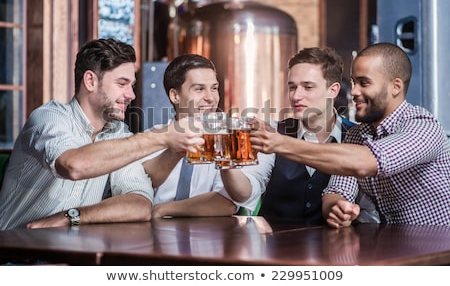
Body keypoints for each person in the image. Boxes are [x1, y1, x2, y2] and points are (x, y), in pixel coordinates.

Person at [0, 38, 204, 231]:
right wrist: (162, 136)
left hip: (70, 256)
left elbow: (140, 204)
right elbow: (74, 165)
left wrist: (71, 216)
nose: (131, 95)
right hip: (17, 254)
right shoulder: (49, 117)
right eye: (121, 83)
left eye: (131, 86)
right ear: (90, 81)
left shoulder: (118, 134)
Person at [250, 42, 450, 227]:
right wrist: (337, 207)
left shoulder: (424, 127)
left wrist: (279, 143)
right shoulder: (357, 134)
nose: (353, 91)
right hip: (393, 251)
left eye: (364, 83)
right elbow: (337, 190)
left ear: (395, 87)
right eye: (354, 82)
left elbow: (367, 161)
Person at [220, 46, 357, 225]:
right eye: (292, 87)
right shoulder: (273, 132)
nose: (296, 96)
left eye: (308, 87)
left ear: (333, 90)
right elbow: (244, 192)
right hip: (275, 246)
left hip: (335, 248)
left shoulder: (356, 137)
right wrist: (225, 161)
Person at [141, 53, 238, 218]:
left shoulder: (226, 139)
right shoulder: (152, 138)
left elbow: (226, 203)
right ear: (175, 96)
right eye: (199, 89)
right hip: (153, 236)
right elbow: (134, 189)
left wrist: (163, 209)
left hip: (208, 236)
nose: (210, 98)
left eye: (214, 88)